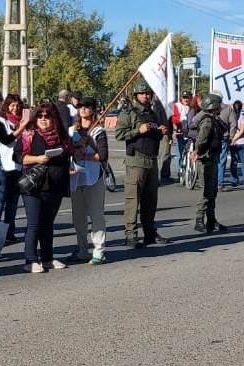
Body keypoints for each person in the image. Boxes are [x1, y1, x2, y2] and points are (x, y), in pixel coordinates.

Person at [16, 101, 72, 273]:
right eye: (40, 116)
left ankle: (47, 258)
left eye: (47, 116)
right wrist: (38, 159)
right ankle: (30, 259)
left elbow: (68, 154)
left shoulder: (61, 136)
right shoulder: (29, 135)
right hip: (33, 185)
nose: (43, 120)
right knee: (34, 223)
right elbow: (18, 157)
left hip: (55, 184)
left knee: (48, 223)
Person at [115, 80, 169, 247]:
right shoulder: (129, 113)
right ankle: (130, 235)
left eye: (148, 93)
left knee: (150, 200)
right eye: (143, 93)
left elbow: (153, 135)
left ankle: (150, 232)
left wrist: (161, 132)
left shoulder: (152, 113)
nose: (146, 96)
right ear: (136, 95)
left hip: (152, 160)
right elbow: (119, 134)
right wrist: (138, 130)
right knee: (133, 199)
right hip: (136, 160)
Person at [69, 97, 110, 264]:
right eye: (80, 106)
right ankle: (82, 249)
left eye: (87, 106)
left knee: (96, 214)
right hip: (76, 177)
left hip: (93, 177)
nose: (83, 109)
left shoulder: (98, 131)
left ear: (93, 109)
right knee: (78, 217)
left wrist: (85, 155)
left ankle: (99, 251)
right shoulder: (71, 131)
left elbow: (103, 156)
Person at [0, 94, 28, 243]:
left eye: (18, 105)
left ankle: (9, 231)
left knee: (13, 201)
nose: (15, 108)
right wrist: (21, 129)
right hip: (2, 165)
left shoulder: (22, 122)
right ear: (6, 106)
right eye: (12, 105)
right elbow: (6, 140)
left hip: (18, 165)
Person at [193, 93, 229, 232]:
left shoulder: (214, 120)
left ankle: (211, 220)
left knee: (212, 192)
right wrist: (198, 151)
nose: (220, 108)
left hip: (213, 158)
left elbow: (224, 130)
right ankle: (199, 220)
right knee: (205, 191)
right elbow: (201, 139)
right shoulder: (207, 122)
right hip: (206, 159)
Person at [169, 91, 194, 181]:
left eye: (187, 97)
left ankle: (192, 170)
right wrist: (176, 127)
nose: (186, 99)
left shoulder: (193, 107)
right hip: (181, 132)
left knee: (191, 152)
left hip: (191, 133)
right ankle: (179, 170)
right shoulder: (177, 106)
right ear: (181, 98)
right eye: (184, 97)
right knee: (179, 153)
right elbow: (174, 118)